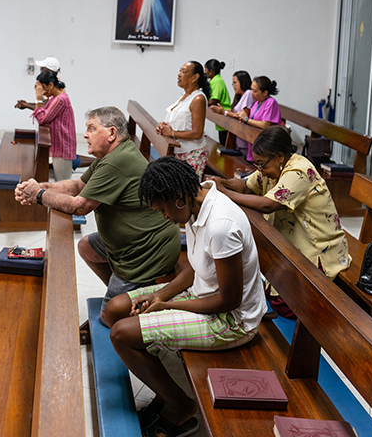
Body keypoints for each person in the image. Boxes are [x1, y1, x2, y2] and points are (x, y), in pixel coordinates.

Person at [104, 157, 267, 436]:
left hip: (231, 320)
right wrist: (159, 295)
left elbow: (229, 301)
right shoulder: (194, 202)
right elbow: (195, 267)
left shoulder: (220, 225)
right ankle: (163, 380)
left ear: (177, 197)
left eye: (163, 210)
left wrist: (168, 304)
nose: (164, 217)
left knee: (121, 334)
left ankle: (178, 404)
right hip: (203, 294)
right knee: (116, 308)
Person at [15, 106, 181, 326]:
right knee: (87, 246)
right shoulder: (111, 156)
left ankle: (131, 306)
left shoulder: (117, 161)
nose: (85, 135)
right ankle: (120, 297)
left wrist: (39, 195)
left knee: (108, 317)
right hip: (127, 243)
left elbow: (79, 206)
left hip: (145, 251)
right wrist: (41, 186)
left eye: (91, 129)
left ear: (112, 133)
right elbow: (76, 185)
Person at [213, 125, 351, 318]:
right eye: (257, 164)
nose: (260, 170)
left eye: (262, 164)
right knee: (272, 294)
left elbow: (268, 205)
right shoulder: (273, 168)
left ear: (279, 156)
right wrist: (222, 183)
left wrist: (226, 194)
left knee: (285, 307)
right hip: (293, 241)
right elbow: (245, 185)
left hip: (318, 246)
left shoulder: (299, 171)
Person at [156, 61, 210, 177]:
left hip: (192, 153)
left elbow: (197, 133)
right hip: (178, 151)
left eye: (183, 72)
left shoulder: (198, 99)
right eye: (179, 71)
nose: (179, 74)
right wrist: (163, 127)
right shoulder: (184, 96)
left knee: (187, 192)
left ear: (195, 77)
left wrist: (171, 133)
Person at [30, 70, 76, 182]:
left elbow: (42, 119)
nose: (41, 91)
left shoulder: (60, 99)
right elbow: (43, 114)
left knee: (63, 183)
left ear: (51, 85)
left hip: (63, 146)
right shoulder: (54, 98)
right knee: (59, 180)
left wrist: (38, 98)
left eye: (42, 88)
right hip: (59, 144)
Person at [210, 70, 254, 157]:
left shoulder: (248, 94)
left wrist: (224, 112)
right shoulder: (240, 96)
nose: (233, 86)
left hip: (244, 133)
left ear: (242, 82)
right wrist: (222, 110)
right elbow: (235, 111)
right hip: (237, 134)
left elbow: (243, 115)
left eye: (235, 83)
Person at [238, 75, 281, 162]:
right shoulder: (257, 102)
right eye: (251, 89)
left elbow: (265, 124)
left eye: (255, 91)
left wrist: (246, 119)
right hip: (254, 139)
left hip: (266, 144)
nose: (251, 93)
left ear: (265, 93)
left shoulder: (271, 103)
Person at [204, 59, 231, 145]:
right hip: (220, 115)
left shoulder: (217, 81)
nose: (204, 72)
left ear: (211, 71)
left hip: (224, 114)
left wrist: (201, 103)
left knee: (224, 142)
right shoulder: (213, 80)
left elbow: (214, 100)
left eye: (206, 69)